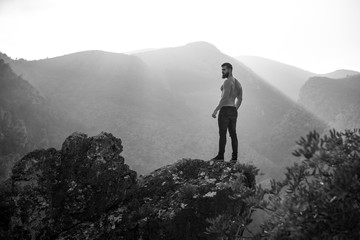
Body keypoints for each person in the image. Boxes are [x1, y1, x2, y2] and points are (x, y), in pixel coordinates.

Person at [211, 62, 243, 164]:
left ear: (229, 70)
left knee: (223, 134)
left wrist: (216, 109)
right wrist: (234, 109)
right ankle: (234, 158)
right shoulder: (238, 84)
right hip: (233, 110)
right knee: (233, 134)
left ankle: (220, 156)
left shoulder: (227, 82)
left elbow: (224, 98)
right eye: (222, 70)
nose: (222, 72)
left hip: (225, 110)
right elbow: (240, 99)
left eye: (224, 70)